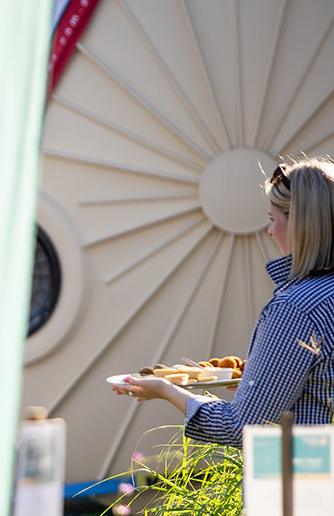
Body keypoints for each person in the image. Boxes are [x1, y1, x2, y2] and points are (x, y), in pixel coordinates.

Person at [111, 157, 334, 447]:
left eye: (272, 219)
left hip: (309, 482)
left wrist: (167, 390)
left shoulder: (296, 308)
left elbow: (243, 428)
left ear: (301, 224)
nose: (269, 232)